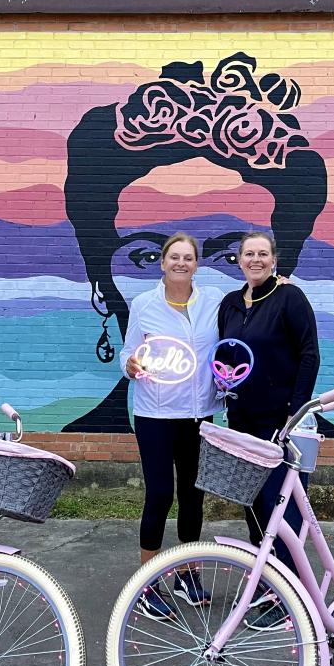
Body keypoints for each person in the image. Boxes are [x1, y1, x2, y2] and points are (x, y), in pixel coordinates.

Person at [62, 52, 333, 434]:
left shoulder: (280, 311)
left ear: (272, 266)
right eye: (149, 254)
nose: (190, 272)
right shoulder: (87, 432)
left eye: (227, 255)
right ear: (100, 279)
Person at [218, 230, 321, 631]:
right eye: (248, 254)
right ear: (239, 260)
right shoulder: (230, 303)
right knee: (254, 505)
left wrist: (295, 411)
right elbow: (223, 354)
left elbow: (310, 354)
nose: (255, 260)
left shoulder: (290, 298)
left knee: (284, 507)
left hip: (281, 422)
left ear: (274, 259)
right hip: (241, 418)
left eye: (263, 254)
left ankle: (287, 595)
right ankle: (265, 580)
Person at [119, 233, 222, 618]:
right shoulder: (144, 304)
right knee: (161, 494)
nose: (181, 263)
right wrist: (129, 365)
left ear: (197, 264)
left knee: (193, 496)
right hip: (155, 416)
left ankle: (187, 574)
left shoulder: (213, 300)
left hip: (199, 414)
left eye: (188, 258)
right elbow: (129, 353)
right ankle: (147, 585)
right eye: (174, 257)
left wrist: (281, 283)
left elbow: (249, 302)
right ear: (162, 263)